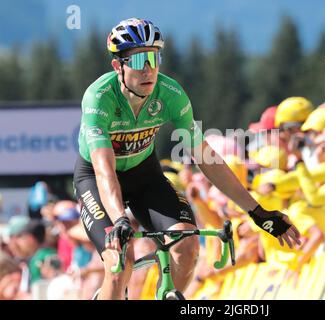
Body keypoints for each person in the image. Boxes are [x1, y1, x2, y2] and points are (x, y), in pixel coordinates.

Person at [73, 18, 300, 300]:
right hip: (97, 179)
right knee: (120, 261)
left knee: (187, 245)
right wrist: (120, 219)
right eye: (139, 59)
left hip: (144, 175)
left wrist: (257, 211)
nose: (149, 69)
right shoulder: (99, 98)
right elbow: (104, 169)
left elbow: (207, 158)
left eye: (154, 58)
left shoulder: (170, 94)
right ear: (118, 66)